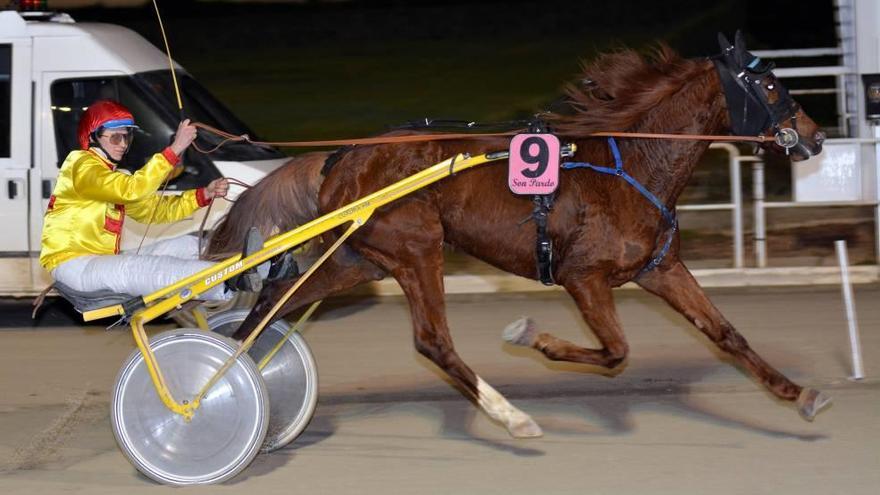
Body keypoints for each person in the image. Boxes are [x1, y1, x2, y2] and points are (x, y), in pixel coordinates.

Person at [39, 99, 235, 301]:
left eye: (127, 138)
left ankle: (241, 260)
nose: (123, 145)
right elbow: (132, 190)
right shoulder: (81, 164)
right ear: (93, 137)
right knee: (148, 268)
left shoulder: (110, 177)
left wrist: (203, 194)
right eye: (116, 138)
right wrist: (175, 148)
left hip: (99, 262)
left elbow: (153, 211)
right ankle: (228, 280)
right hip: (75, 266)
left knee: (182, 245)